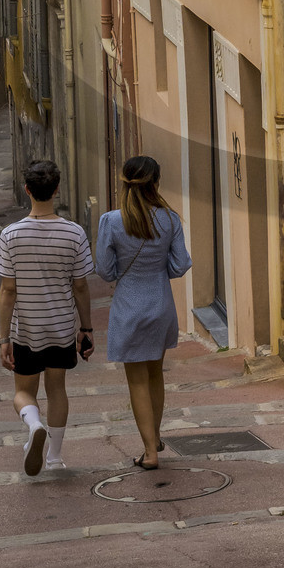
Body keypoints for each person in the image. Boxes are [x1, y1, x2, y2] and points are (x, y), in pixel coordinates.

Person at [0, 159, 94, 477]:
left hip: (26, 329)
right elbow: (80, 286)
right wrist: (86, 328)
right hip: (61, 327)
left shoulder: (10, 235)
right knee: (57, 389)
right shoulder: (74, 233)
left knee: (23, 391)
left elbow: (8, 291)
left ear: (27, 191)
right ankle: (54, 456)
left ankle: (34, 424)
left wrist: (3, 338)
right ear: (57, 190)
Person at [96, 155, 192, 470]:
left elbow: (105, 271)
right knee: (155, 375)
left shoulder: (111, 221)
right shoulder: (170, 219)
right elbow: (179, 266)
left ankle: (150, 451)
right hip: (161, 305)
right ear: (156, 183)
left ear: (124, 183)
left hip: (128, 308)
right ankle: (155, 437)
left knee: (136, 381)